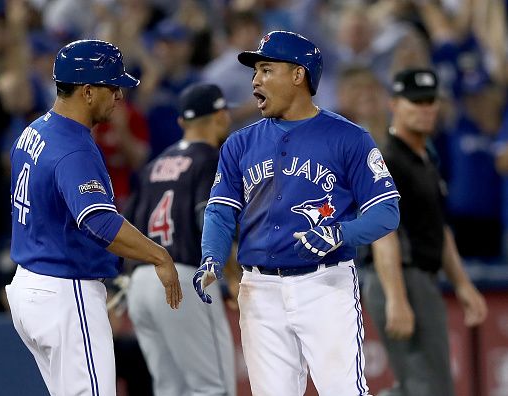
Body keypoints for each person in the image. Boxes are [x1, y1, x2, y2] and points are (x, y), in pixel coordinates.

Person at [193, 30, 401, 396]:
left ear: (298, 75)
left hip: (324, 285)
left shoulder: (348, 137)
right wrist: (211, 255)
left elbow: (387, 211)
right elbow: (220, 210)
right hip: (259, 288)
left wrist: (342, 233)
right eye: (256, 71)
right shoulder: (240, 143)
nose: (255, 80)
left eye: (266, 69)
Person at [5, 39, 182, 396]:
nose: (119, 95)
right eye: (112, 86)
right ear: (87, 91)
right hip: (64, 290)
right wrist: (158, 255)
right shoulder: (74, 147)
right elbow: (99, 222)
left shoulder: (34, 130)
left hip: (31, 284)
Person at [361, 68, 488, 396]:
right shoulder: (388, 160)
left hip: (419, 276)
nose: (425, 108)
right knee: (427, 388)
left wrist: (462, 284)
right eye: (415, 101)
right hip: (399, 275)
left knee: (427, 387)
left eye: (430, 101)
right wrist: (397, 298)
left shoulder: (424, 159)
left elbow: (439, 229)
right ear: (394, 105)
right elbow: (383, 233)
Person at [126, 83, 236, 396]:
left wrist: (124, 279)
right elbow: (210, 220)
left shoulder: (154, 166)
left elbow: (127, 225)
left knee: (169, 388)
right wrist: (232, 275)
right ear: (221, 116)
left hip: (142, 284)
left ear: (181, 123)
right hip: (184, 278)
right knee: (212, 388)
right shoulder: (211, 159)